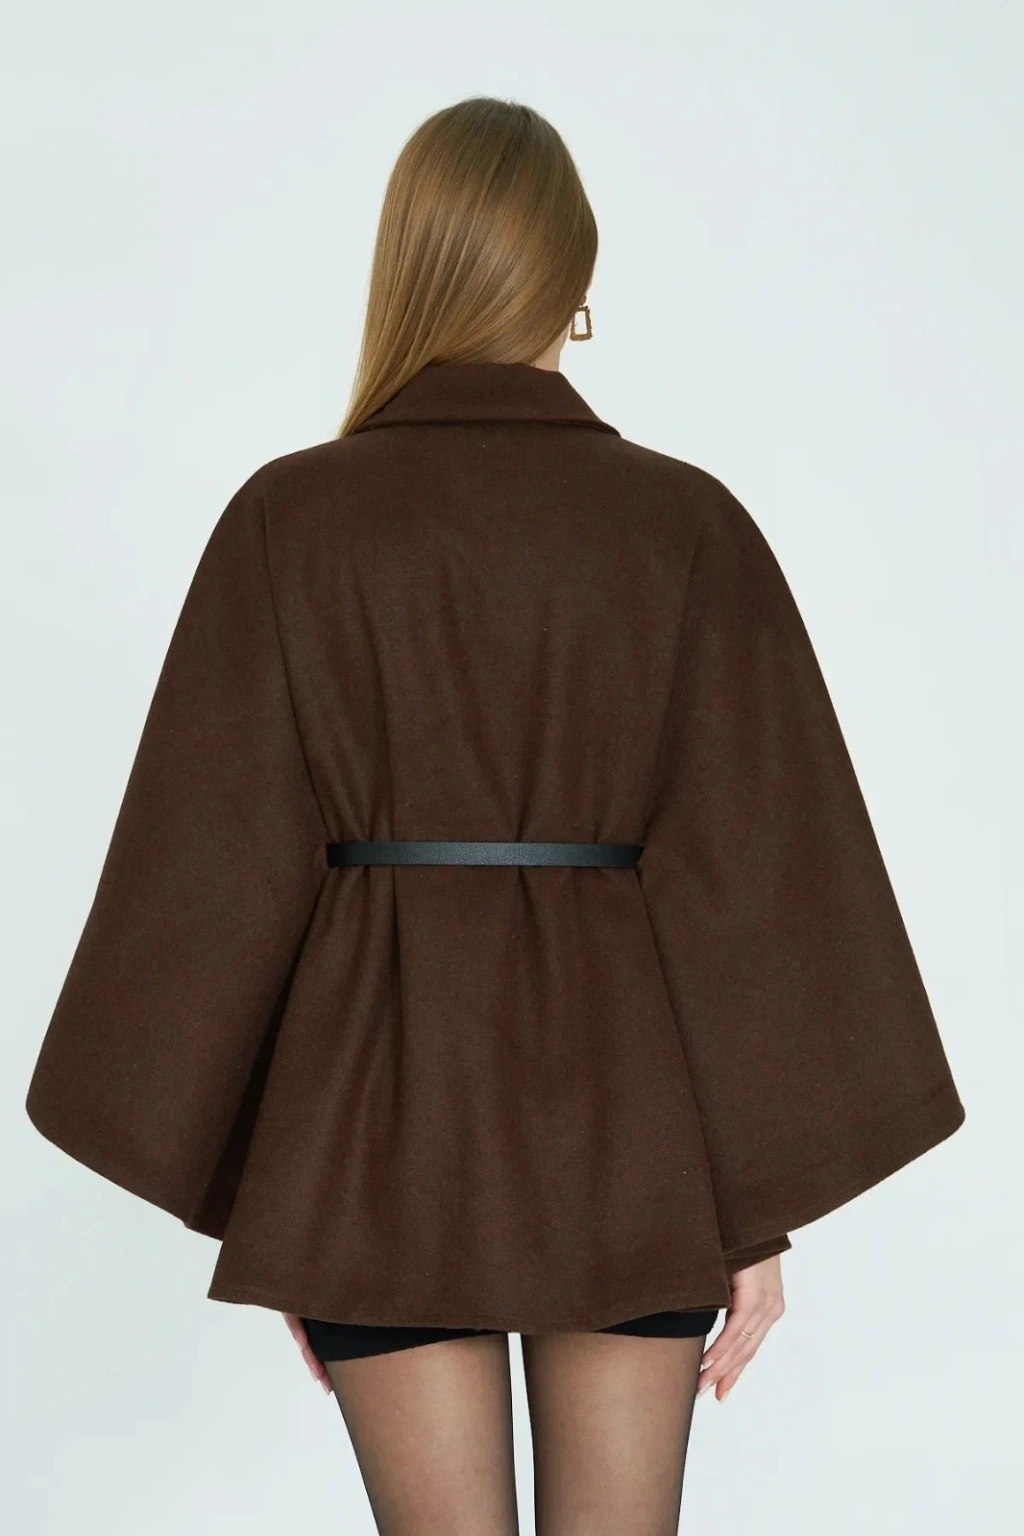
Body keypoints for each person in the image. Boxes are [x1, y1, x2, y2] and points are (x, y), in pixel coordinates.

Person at [25, 96, 964, 1534]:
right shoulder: (684, 527)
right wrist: (749, 1211)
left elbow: (212, 869)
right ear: (575, 283)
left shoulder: (291, 522)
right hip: (632, 1140)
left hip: (377, 1139)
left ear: (407, 265)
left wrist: (296, 1197)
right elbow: (755, 876)